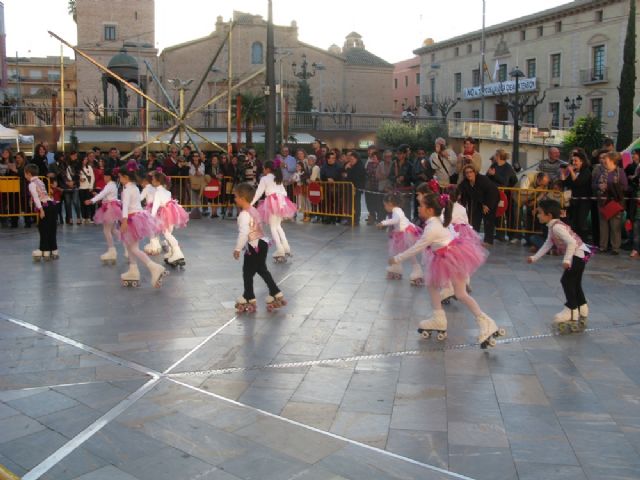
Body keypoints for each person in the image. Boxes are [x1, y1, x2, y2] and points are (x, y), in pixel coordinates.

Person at [390, 193, 504, 348]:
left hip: (452, 259)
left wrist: (397, 258)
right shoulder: (436, 221)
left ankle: (486, 322)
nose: (418, 207)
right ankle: (438, 317)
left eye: (421, 205)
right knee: (432, 284)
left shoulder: (432, 227)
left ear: (430, 210)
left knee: (461, 294)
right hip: (446, 256)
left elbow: (416, 248)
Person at [527, 199, 590, 330]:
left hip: (578, 254)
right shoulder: (553, 226)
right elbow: (548, 244)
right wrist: (535, 257)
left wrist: (566, 260)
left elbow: (572, 243)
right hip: (583, 253)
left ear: (548, 215)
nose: (537, 215)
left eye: (540, 213)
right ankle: (582, 307)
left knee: (566, 281)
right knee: (574, 281)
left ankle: (571, 310)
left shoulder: (557, 227)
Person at [233, 183, 286, 313]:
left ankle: (249, 296)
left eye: (235, 196)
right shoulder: (253, 210)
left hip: (254, 246)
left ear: (242, 198)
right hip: (262, 243)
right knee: (262, 270)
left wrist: (237, 249)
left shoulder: (244, 215)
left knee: (247, 272)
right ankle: (275, 291)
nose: (234, 198)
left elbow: (244, 233)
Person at [117, 168, 168, 288]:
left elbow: (125, 206)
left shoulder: (128, 190)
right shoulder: (134, 188)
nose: (119, 179)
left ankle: (155, 267)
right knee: (131, 247)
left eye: (120, 177)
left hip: (131, 219)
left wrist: (124, 221)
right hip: (138, 217)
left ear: (126, 177)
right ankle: (133, 269)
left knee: (133, 248)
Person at [251, 160, 297, 262]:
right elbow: (284, 192)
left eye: (263, 168)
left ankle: (280, 250)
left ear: (267, 169)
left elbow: (258, 193)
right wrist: (280, 200)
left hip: (272, 202)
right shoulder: (278, 178)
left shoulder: (265, 179)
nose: (263, 170)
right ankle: (286, 247)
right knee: (278, 226)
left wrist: (250, 204)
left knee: (273, 227)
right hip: (281, 202)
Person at [377, 192, 423, 285]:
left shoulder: (396, 211)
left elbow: (395, 220)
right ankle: (396, 267)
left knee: (410, 253)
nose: (385, 207)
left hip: (406, 234)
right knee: (397, 251)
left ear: (390, 204)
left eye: (385, 205)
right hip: (400, 233)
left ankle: (417, 270)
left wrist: (383, 223)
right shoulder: (397, 210)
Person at [150, 171, 189, 268]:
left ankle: (178, 253)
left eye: (153, 179)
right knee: (169, 233)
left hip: (164, 215)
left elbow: (155, 207)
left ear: (158, 181)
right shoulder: (168, 191)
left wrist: (150, 218)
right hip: (171, 213)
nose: (152, 181)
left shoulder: (157, 192)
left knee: (167, 234)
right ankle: (172, 252)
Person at [593, 151, 628, 254]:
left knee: (615, 226)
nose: (604, 161)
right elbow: (593, 184)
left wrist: (611, 187)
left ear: (612, 160)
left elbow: (625, 186)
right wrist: (599, 186)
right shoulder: (601, 172)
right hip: (603, 201)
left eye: (606, 159)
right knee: (603, 225)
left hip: (615, 202)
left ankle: (615, 248)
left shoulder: (619, 172)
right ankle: (603, 246)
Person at [85, 168, 122, 265]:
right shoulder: (112, 185)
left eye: (105, 176)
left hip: (110, 208)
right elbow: (104, 195)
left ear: (109, 177)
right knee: (113, 230)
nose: (104, 178)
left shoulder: (110, 185)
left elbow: (103, 194)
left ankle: (112, 251)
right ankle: (126, 244)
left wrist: (92, 200)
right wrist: (96, 195)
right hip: (111, 207)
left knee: (107, 230)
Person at [458, 165, 500, 246]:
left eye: (471, 172)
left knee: (488, 219)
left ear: (475, 172)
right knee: (475, 219)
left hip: (491, 198)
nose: (469, 174)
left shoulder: (482, 180)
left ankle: (488, 241)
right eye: (467, 172)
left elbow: (492, 192)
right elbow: (460, 192)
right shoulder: (465, 183)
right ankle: (474, 238)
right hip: (479, 201)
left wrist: (487, 205)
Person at [25, 164, 58, 261]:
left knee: (43, 228)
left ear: (28, 174)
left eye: (25, 174)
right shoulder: (40, 180)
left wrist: (41, 210)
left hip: (44, 207)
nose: (25, 176)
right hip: (52, 204)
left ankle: (45, 250)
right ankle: (54, 250)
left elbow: (36, 197)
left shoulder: (31, 184)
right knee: (52, 228)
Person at [561, 149, 592, 241]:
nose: (573, 163)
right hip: (573, 200)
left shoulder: (586, 172)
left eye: (576, 161)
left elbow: (578, 182)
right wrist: (563, 174)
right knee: (573, 222)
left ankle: (584, 241)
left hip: (583, 201)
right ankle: (575, 240)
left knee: (581, 222)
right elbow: (566, 183)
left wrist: (571, 172)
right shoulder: (573, 172)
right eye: (573, 161)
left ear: (582, 162)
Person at [139, 173, 161, 256]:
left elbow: (140, 198)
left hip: (150, 209)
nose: (141, 184)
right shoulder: (154, 188)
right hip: (157, 209)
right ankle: (157, 244)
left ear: (145, 181)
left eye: (142, 182)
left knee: (150, 228)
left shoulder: (146, 189)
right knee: (156, 227)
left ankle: (154, 246)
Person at [343, 150, 366, 225]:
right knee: (350, 204)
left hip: (356, 189)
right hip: (350, 189)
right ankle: (350, 219)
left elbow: (354, 177)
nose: (351, 161)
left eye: (352, 159)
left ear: (357, 159)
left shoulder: (359, 166)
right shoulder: (352, 166)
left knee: (356, 204)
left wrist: (348, 170)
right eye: (350, 159)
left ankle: (356, 220)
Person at [364, 149, 381, 225]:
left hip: (378, 187)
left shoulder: (381, 164)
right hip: (369, 187)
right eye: (372, 157)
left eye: (375, 157)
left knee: (378, 203)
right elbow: (367, 173)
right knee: (369, 203)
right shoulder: (369, 164)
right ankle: (372, 216)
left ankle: (379, 218)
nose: (373, 159)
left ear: (378, 158)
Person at [78, 154, 95, 224]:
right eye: (84, 159)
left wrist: (91, 187)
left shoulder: (89, 167)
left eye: (86, 159)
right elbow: (75, 177)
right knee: (82, 203)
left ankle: (88, 217)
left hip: (88, 187)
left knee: (87, 203)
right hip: (81, 188)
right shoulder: (78, 168)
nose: (85, 161)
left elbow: (92, 177)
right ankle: (84, 217)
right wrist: (79, 179)